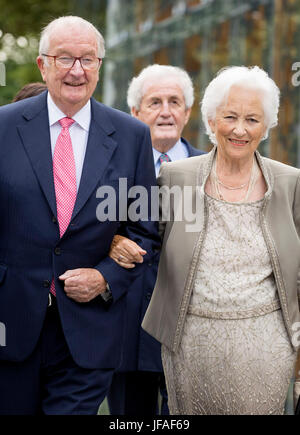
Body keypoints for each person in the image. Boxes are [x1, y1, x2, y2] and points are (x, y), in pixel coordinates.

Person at [0, 16, 159, 415]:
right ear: (43, 65)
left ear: (100, 65)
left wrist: (106, 276)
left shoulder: (131, 135)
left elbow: (144, 229)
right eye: (65, 58)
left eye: (87, 59)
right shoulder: (3, 127)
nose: (76, 70)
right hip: (10, 323)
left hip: (90, 332)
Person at [119, 65, 300, 415]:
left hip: (267, 344)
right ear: (211, 119)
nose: (239, 129)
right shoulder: (177, 178)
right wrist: (114, 242)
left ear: (266, 127)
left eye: (252, 119)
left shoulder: (289, 182)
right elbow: (139, 231)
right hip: (190, 342)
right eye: (230, 116)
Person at [107, 64, 205, 415]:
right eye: (155, 102)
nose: (166, 111)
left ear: (188, 112)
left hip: (191, 331)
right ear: (135, 112)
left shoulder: (213, 170)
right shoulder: (111, 168)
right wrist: (111, 241)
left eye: (175, 101)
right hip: (127, 328)